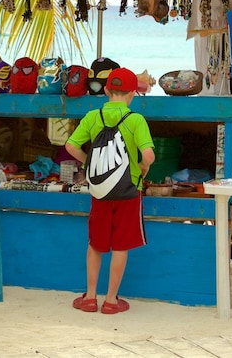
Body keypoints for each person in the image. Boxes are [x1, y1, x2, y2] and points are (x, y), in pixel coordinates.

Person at [65, 67, 155, 315]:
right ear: (132, 94)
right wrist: (141, 167)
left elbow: (71, 146)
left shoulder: (93, 116)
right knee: (120, 245)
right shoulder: (135, 119)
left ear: (106, 90)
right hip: (128, 190)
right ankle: (112, 301)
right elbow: (149, 155)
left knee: (95, 243)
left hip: (100, 190)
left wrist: (88, 163)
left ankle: (91, 297)